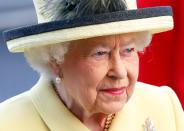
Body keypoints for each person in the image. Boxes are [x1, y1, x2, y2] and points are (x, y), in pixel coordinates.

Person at [0, 0, 184, 131]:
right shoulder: (7, 123)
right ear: (55, 60)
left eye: (128, 50)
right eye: (100, 53)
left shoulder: (163, 105)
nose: (119, 72)